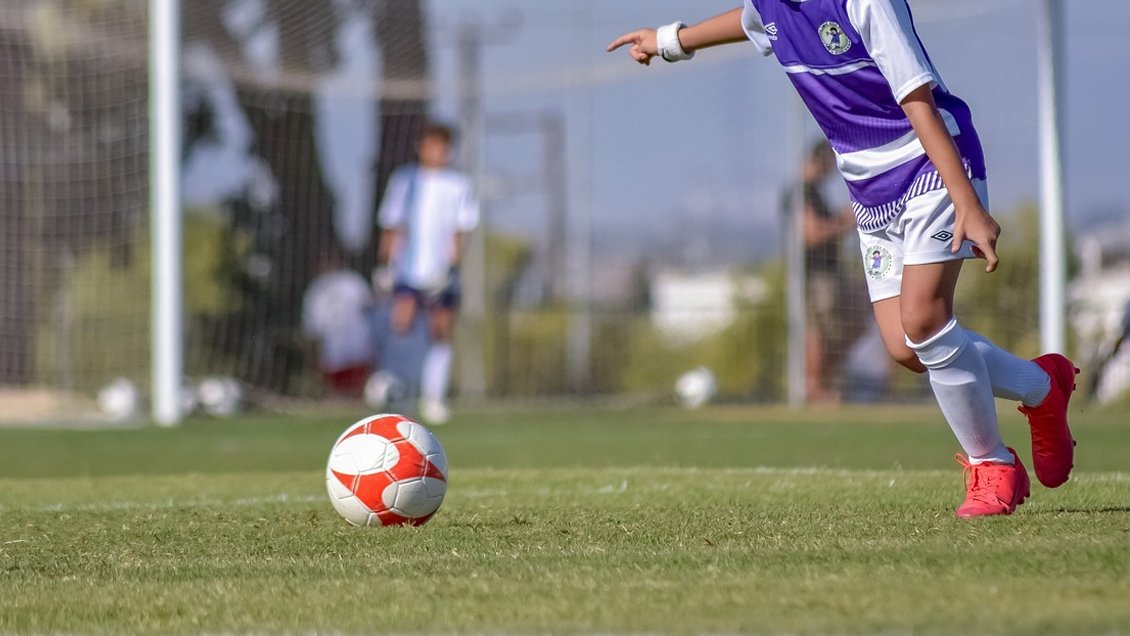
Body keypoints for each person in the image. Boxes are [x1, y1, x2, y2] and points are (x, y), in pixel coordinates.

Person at [608, 0, 1079, 518]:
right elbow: (749, 21)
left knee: (925, 320)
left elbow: (916, 97)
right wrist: (669, 40)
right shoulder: (773, 5)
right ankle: (1042, 386)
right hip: (868, 188)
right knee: (905, 347)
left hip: (929, 164)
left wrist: (966, 201)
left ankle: (991, 465)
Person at [375, 122, 480, 425]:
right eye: (431, 145)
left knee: (440, 331)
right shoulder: (404, 180)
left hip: (440, 272)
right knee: (401, 326)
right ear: (421, 146)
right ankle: (398, 391)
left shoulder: (457, 185)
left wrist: (451, 268)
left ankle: (434, 398)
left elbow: (461, 230)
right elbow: (393, 224)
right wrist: (385, 265)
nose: (436, 152)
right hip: (407, 270)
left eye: (443, 147)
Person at [786, 140, 859, 403]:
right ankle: (814, 387)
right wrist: (843, 222)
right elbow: (811, 233)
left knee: (850, 325)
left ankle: (821, 381)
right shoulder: (802, 191)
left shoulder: (814, 192)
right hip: (815, 274)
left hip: (830, 271)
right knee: (819, 329)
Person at [301, 250, 378, 398]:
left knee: (358, 397)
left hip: (358, 352)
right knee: (339, 399)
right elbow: (312, 330)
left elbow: (370, 310)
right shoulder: (316, 290)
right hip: (334, 355)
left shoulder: (351, 282)